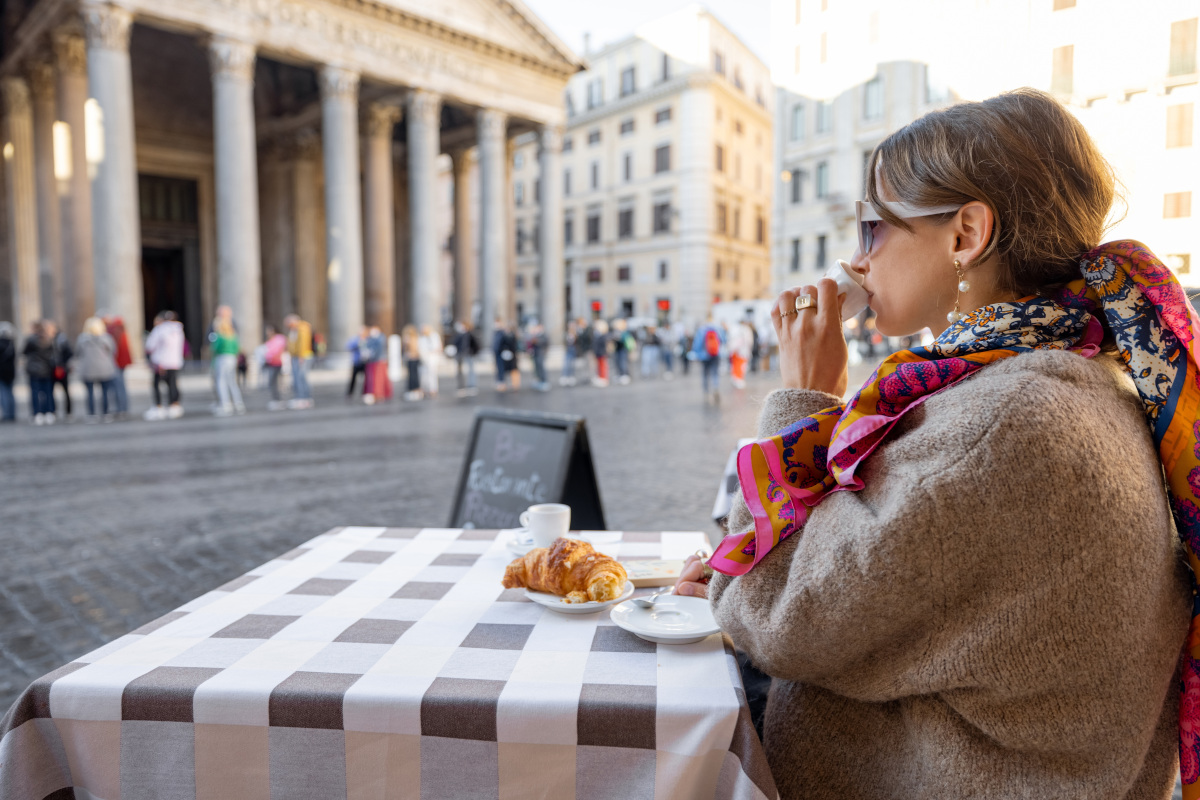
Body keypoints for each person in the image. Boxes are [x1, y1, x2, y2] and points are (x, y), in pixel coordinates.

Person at [677, 89, 1193, 800]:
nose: (855, 262)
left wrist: (805, 402)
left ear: (964, 235)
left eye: (870, 227)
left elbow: (776, 618)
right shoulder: (1059, 377)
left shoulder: (1007, 422)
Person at [75, 317, 118, 422]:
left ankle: (91, 414)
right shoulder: (106, 338)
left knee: (89, 393)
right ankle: (106, 413)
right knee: (105, 392)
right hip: (104, 368)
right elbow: (113, 350)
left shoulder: (82, 339)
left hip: (88, 368)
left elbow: (78, 353)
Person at [144, 311, 185, 420]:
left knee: (156, 385)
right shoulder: (178, 330)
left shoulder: (160, 329)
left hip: (161, 362)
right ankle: (174, 405)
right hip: (174, 362)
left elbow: (150, 345)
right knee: (172, 384)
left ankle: (158, 407)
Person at [208, 307, 245, 416]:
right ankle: (238, 403)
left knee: (221, 382)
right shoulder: (233, 336)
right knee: (232, 381)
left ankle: (225, 404)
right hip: (232, 359)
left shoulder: (220, 336)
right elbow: (237, 348)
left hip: (222, 359)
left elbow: (214, 349)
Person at [22, 321, 56, 424]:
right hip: (46, 369)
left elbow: (24, 352)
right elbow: (52, 354)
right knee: (48, 392)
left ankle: (37, 413)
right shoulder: (48, 340)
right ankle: (49, 412)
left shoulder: (31, 340)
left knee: (35, 393)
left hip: (34, 369)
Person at [690, 314, 725, 402]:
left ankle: (706, 391)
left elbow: (697, 343)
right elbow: (724, 340)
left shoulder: (701, 330)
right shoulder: (718, 328)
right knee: (715, 373)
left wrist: (697, 354)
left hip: (704, 355)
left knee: (705, 374)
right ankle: (715, 387)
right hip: (715, 354)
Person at [104, 315, 132, 418]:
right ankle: (122, 408)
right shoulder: (122, 331)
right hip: (122, 362)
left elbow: (114, 349)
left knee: (118, 387)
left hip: (117, 363)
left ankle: (121, 409)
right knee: (121, 386)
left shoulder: (114, 331)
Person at [44, 321, 73, 420]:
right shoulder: (45, 339)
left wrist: (63, 364)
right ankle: (53, 410)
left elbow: (69, 353)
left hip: (62, 368)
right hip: (51, 369)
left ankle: (68, 411)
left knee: (66, 391)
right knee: (50, 391)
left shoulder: (62, 339)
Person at [284, 314, 314, 409]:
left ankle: (304, 398)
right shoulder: (294, 330)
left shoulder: (302, 328)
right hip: (296, 356)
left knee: (301, 378)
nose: (287, 326)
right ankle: (299, 397)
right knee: (297, 378)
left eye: (288, 323)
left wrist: (301, 356)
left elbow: (303, 343)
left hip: (302, 356)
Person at [261, 324, 288, 410]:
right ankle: (275, 399)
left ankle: (278, 400)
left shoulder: (280, 338)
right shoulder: (270, 340)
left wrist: (274, 356)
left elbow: (280, 350)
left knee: (274, 382)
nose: (267, 332)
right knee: (272, 382)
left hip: (276, 363)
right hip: (270, 363)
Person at [452, 320, 480, 396]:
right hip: (459, 355)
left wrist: (472, 352)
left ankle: (472, 386)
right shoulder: (458, 335)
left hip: (469, 354)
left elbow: (476, 345)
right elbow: (454, 343)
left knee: (471, 371)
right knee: (459, 371)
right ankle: (461, 387)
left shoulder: (470, 334)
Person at [418, 324, 442, 399]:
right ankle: (424, 389)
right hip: (424, 358)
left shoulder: (434, 336)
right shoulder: (421, 338)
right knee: (423, 375)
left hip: (432, 358)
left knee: (432, 374)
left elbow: (438, 347)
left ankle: (433, 389)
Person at [728, 320, 752, 389]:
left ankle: (736, 378)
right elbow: (749, 341)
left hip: (736, 351)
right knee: (741, 366)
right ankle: (738, 379)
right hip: (741, 352)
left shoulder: (736, 330)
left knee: (736, 366)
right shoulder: (745, 330)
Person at [346, 326, 369, 399]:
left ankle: (364, 392)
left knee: (366, 378)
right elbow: (348, 346)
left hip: (365, 361)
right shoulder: (355, 339)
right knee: (353, 378)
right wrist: (357, 344)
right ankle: (350, 392)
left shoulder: (367, 339)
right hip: (356, 361)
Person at [526, 322, 549, 391]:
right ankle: (538, 380)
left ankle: (544, 381)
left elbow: (545, 343)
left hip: (540, 353)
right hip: (535, 353)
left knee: (541, 368)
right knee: (536, 368)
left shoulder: (544, 335)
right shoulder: (535, 335)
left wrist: (536, 341)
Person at [401, 324, 422, 400]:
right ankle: (411, 390)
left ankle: (416, 390)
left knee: (414, 376)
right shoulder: (410, 339)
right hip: (409, 359)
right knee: (410, 376)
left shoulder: (414, 339)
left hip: (413, 359)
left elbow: (414, 349)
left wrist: (408, 342)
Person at [0, 322, 15, 422]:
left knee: (3, 393)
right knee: (10, 393)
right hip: (10, 371)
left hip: (1, 371)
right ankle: (12, 413)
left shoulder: (1, 344)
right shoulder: (11, 344)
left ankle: (6, 414)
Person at [611, 318, 632, 385]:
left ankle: (625, 375)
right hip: (618, 349)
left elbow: (623, 339)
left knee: (623, 362)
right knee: (618, 362)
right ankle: (620, 374)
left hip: (623, 349)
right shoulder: (616, 331)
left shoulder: (624, 332)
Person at [560, 319, 579, 387]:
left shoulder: (576, 333)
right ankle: (565, 377)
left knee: (571, 364)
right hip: (568, 349)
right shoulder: (567, 333)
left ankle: (571, 377)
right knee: (566, 364)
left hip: (573, 349)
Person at [590, 319, 609, 387]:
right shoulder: (597, 335)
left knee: (602, 366)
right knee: (599, 366)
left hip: (602, 353)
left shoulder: (603, 335)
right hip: (598, 353)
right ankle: (600, 377)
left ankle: (603, 378)